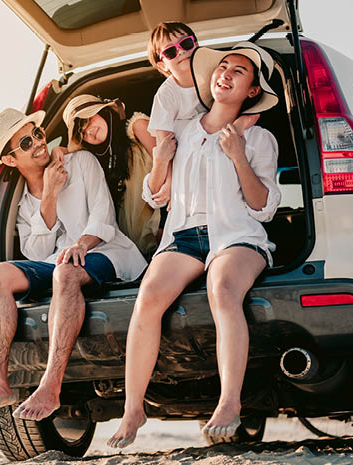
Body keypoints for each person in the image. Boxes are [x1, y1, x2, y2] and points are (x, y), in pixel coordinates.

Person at [107, 42, 282, 447]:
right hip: (184, 236)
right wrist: (161, 161)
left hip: (236, 235)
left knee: (221, 290)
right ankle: (134, 407)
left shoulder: (259, 140)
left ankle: (229, 403)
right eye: (223, 66)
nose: (226, 73)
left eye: (239, 72)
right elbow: (157, 196)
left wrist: (238, 156)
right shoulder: (184, 130)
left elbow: (263, 207)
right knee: (148, 298)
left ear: (252, 91)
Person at [0, 108, 147, 423]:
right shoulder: (22, 202)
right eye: (26, 142)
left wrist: (80, 245)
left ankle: (51, 385)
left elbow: (103, 220)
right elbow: (36, 251)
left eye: (37, 133)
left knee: (65, 270)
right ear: (11, 160)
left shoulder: (80, 163)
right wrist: (49, 193)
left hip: (108, 252)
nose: (38, 142)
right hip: (60, 260)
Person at [145, 22, 258, 206]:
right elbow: (165, 147)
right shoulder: (166, 95)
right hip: (183, 154)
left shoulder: (216, 76)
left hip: (216, 146)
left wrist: (240, 124)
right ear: (162, 64)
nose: (181, 52)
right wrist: (170, 183)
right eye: (171, 52)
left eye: (186, 44)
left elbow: (240, 104)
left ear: (196, 44)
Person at [58, 95, 161, 257]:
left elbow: (170, 167)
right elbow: (72, 153)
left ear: (102, 111)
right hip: (134, 249)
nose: (89, 131)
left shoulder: (136, 127)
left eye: (88, 120)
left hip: (164, 228)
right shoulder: (98, 157)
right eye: (82, 133)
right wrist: (58, 150)